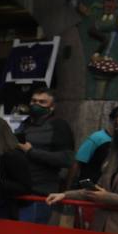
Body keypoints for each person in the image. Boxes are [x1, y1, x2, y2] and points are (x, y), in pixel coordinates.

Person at [16, 88, 74, 224]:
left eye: (42, 102)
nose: (36, 105)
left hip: (39, 194)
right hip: (18, 190)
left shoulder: (59, 125)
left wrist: (31, 152)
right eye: (34, 101)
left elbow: (67, 159)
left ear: (52, 107)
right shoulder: (25, 124)